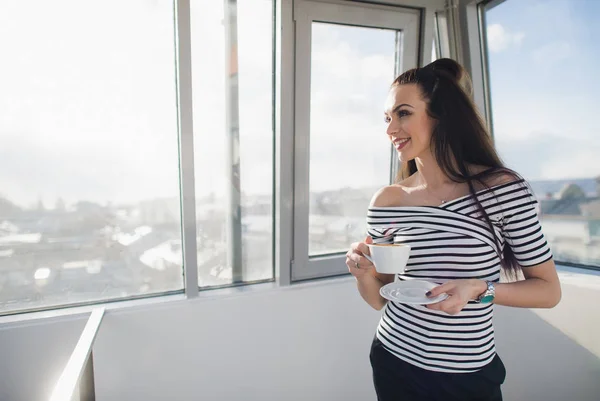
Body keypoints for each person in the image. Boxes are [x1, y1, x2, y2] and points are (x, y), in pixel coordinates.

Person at [345, 58, 561, 401]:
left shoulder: (502, 189)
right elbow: (380, 299)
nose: (390, 129)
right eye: (387, 118)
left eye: (403, 113)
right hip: (392, 359)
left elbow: (549, 292)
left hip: (467, 375)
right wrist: (362, 273)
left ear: (440, 115)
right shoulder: (387, 201)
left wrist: (480, 289)